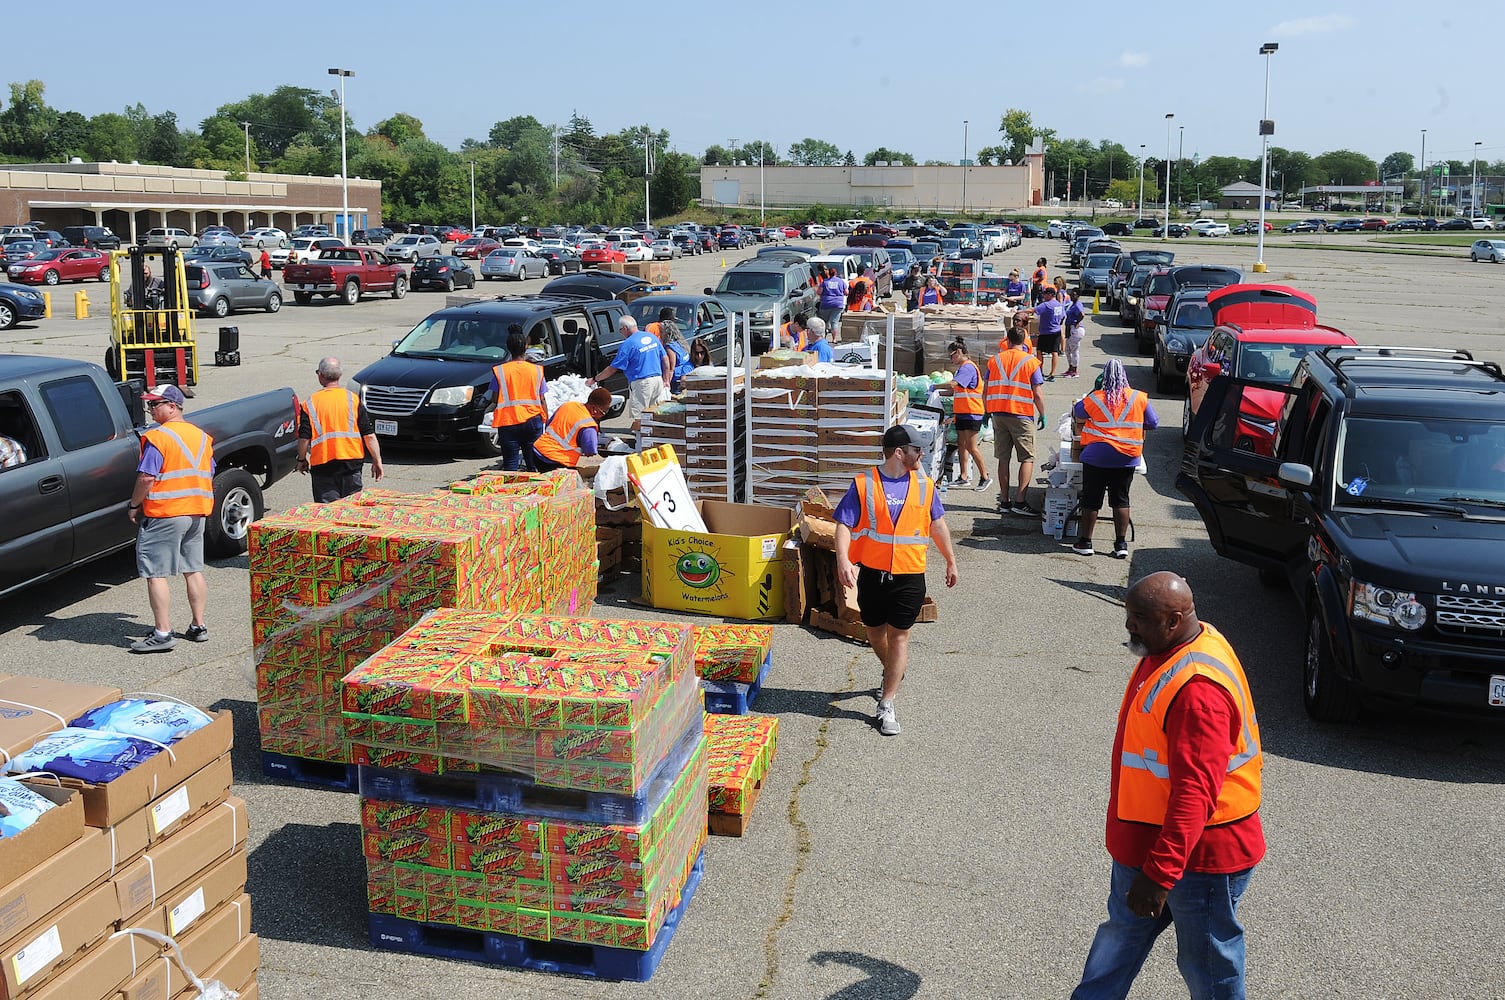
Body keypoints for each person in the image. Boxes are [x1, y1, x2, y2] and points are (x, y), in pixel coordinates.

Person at [1071, 571, 1264, 1000]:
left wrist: (1160, 874)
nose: (1128, 625)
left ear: (1174, 619)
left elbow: (1195, 794)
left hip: (1197, 858)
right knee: (1119, 940)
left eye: (1138, 617)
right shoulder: (1180, 644)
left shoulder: (1197, 691)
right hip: (1150, 845)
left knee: (1208, 964)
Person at [833, 425, 959, 737]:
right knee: (875, 633)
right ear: (900, 453)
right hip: (873, 575)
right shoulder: (864, 483)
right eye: (918, 449)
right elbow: (843, 524)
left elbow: (937, 525)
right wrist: (843, 560)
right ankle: (893, 671)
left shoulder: (924, 484)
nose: (923, 453)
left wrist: (951, 560)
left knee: (899, 636)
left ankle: (886, 704)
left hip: (909, 575)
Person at [128, 385, 214, 653]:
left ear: (172, 406)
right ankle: (198, 626)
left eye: (154, 405)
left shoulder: (159, 437)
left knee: (156, 573)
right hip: (196, 511)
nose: (150, 410)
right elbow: (209, 471)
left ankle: (163, 633)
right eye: (149, 405)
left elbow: (146, 477)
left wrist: (134, 505)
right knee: (193, 569)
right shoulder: (202, 437)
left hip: (166, 512)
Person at [1072, 359, 1158, 559]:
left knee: (1091, 499)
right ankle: (1121, 543)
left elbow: (1078, 412)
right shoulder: (1139, 397)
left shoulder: (1096, 398)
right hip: (1127, 456)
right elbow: (1153, 423)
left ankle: (1085, 542)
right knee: (1121, 499)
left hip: (1097, 456)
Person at [297, 357, 385, 501]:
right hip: (351, 464)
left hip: (323, 466)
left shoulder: (310, 403)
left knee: (328, 512)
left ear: (320, 375)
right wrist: (377, 460)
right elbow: (369, 435)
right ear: (340, 375)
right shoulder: (353, 399)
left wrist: (301, 460)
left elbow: (304, 438)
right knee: (351, 511)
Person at [984, 325, 1047, 516]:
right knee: (1027, 458)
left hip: (998, 415)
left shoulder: (994, 360)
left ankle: (1005, 501)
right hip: (1021, 415)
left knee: (1003, 458)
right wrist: (1042, 414)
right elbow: (1037, 393)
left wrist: (987, 411)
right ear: (1024, 341)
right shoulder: (1031, 362)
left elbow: (986, 389)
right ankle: (1020, 502)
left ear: (1008, 341)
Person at [588, 316, 671, 431]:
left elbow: (613, 369)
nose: (621, 333)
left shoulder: (628, 344)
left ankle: (640, 442)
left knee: (640, 418)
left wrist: (595, 379)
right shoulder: (651, 337)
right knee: (654, 414)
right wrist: (666, 380)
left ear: (625, 328)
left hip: (642, 384)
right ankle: (654, 438)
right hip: (657, 381)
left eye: (620, 330)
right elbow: (665, 360)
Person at [486, 328, 548, 472]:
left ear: (508, 348)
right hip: (533, 419)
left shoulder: (500, 371)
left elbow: (495, 398)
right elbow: (542, 398)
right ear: (526, 347)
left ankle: (512, 492)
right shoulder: (537, 370)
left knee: (511, 465)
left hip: (508, 421)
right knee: (533, 464)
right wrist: (545, 418)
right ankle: (534, 491)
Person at [941, 339, 990, 491]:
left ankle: (985, 477)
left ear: (960, 352)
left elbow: (953, 385)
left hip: (972, 412)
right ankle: (963, 476)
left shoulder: (967, 368)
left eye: (952, 356)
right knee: (961, 445)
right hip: (962, 412)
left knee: (971, 446)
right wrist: (937, 392)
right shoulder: (962, 368)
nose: (951, 359)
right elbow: (954, 390)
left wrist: (934, 386)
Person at [531, 388, 613, 471]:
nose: (602, 416)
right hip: (555, 461)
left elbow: (549, 425)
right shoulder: (588, 426)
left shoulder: (569, 406)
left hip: (538, 452)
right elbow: (591, 453)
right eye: (603, 413)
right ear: (594, 410)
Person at [1034, 285, 1067, 380]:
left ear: (1050, 295)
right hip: (1056, 331)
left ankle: (1040, 371)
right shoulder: (1059, 305)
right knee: (1054, 352)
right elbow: (1063, 316)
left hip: (1045, 332)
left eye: (1045, 294)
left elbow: (1033, 310)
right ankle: (1052, 374)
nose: (1043, 296)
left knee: (1039, 351)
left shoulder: (1046, 305)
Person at [1063, 288, 1087, 378]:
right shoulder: (1072, 304)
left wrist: (1077, 322)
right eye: (1071, 294)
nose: (1072, 296)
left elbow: (1082, 314)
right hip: (1070, 328)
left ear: (1078, 295)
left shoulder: (1077, 305)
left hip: (1075, 329)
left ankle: (1074, 371)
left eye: (1074, 294)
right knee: (1067, 350)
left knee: (1074, 350)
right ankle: (1070, 368)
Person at [817, 264, 848, 332]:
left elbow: (819, 292)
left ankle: (823, 335)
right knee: (834, 322)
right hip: (838, 304)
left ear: (829, 273)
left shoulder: (824, 282)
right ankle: (834, 339)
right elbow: (846, 292)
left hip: (826, 303)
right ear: (836, 273)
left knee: (824, 321)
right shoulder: (841, 281)